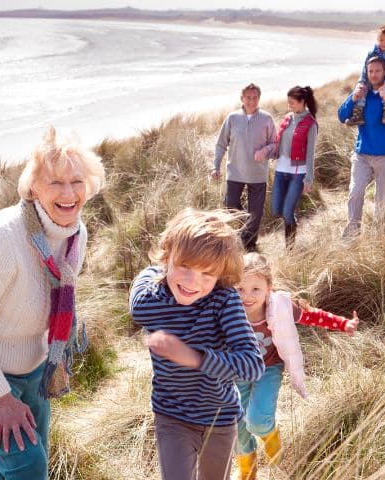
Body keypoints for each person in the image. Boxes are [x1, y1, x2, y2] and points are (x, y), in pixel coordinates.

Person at [0, 126, 106, 479]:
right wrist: (1, 399)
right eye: (55, 183)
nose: (68, 193)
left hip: (34, 367)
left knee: (29, 464)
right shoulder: (1, 238)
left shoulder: (77, 234)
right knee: (28, 467)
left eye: (77, 182)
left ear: (89, 186)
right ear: (33, 187)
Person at [129, 208, 265, 480]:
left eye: (207, 274)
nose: (193, 282)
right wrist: (165, 263)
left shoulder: (224, 301)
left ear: (220, 276)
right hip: (171, 416)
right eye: (185, 267)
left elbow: (253, 365)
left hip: (220, 418)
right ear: (167, 258)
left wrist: (195, 358)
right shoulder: (148, 303)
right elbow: (140, 292)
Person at [233, 252, 359, 479]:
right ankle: (247, 473)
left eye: (255, 289)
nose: (247, 296)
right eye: (239, 288)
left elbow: (311, 316)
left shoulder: (280, 307)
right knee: (238, 426)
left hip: (268, 368)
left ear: (268, 288)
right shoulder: (227, 309)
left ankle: (270, 436)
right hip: (238, 373)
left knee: (257, 421)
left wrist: (342, 323)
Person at [337, 56, 385, 238]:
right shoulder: (361, 92)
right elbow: (341, 116)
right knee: (355, 193)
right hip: (362, 154)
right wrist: (354, 97)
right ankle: (351, 238)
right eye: (370, 71)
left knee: (382, 202)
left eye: (377, 71)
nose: (373, 74)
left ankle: (379, 241)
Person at [212, 83, 278, 252]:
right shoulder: (232, 118)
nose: (251, 101)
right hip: (235, 172)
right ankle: (246, 229)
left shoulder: (267, 118)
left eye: (255, 97)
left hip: (258, 174)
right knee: (230, 205)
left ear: (259, 98)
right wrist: (216, 167)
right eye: (248, 97)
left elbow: (275, 144)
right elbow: (221, 144)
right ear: (242, 99)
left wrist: (265, 150)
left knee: (256, 212)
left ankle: (248, 245)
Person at [266, 86, 319, 249]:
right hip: (281, 170)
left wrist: (308, 178)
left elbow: (310, 153)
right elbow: (278, 142)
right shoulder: (288, 118)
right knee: (276, 209)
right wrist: (270, 153)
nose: (289, 106)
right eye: (288, 103)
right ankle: (291, 224)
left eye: (292, 103)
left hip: (298, 173)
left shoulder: (311, 123)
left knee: (288, 212)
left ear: (302, 102)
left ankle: (290, 247)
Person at [345, 25, 385, 127]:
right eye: (381, 40)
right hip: (374, 75)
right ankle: (358, 113)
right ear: (377, 39)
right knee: (362, 87)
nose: (383, 43)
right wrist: (362, 81)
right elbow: (366, 67)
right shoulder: (373, 51)